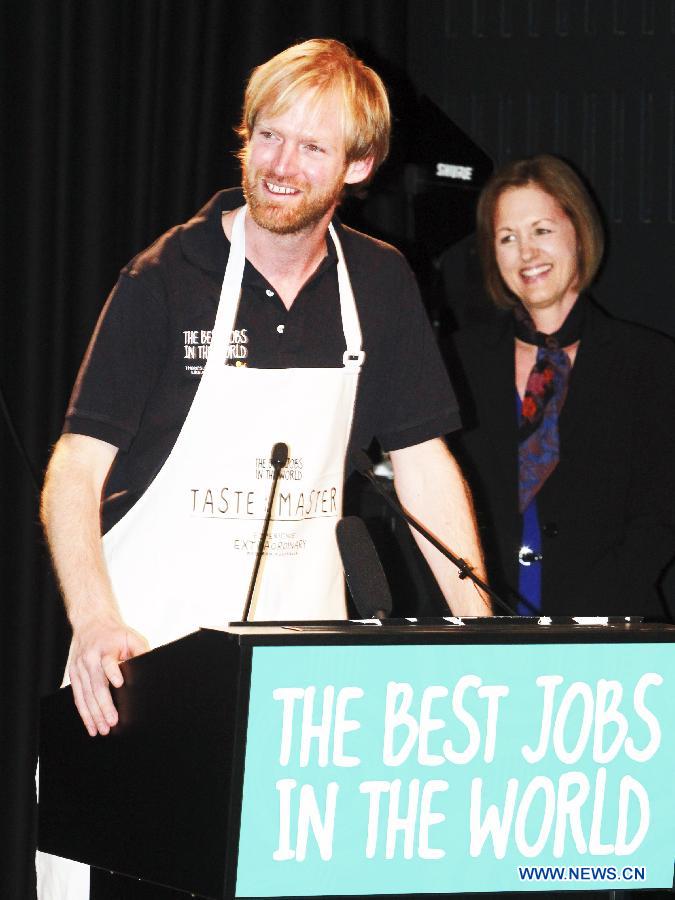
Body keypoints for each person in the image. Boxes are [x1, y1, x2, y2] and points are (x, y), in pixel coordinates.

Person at [38, 38, 490, 898]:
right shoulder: (165, 278)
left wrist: (480, 638)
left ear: (358, 166)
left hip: (302, 699)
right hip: (145, 672)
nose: (280, 166)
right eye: (268, 136)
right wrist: (94, 622)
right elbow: (72, 472)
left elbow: (424, 464)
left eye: (311, 147)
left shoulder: (382, 285)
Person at [447, 154, 675, 617]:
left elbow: (661, 514)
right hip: (480, 628)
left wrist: (593, 614)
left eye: (542, 231)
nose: (526, 253)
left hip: (610, 630)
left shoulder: (651, 362)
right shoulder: (455, 360)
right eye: (507, 238)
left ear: (579, 232)